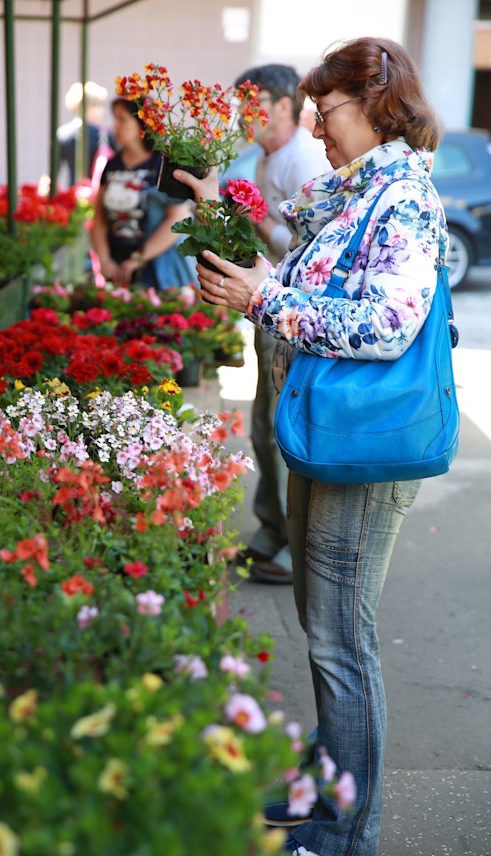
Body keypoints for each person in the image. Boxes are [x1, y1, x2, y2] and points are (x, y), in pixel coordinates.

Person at [174, 37, 447, 856]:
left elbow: (387, 324)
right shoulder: (361, 193)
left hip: (359, 444)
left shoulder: (400, 197)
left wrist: (269, 298)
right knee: (325, 633)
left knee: (342, 644)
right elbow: (314, 288)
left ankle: (344, 839)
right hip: (327, 434)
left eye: (327, 114)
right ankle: (321, 795)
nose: (318, 131)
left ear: (377, 105)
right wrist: (254, 267)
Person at [231, 64, 330, 585]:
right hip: (267, 307)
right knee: (262, 427)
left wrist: (254, 220)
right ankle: (272, 529)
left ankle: (299, 549)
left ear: (286, 106)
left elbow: (309, 251)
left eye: (254, 103)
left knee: (282, 432)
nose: (245, 114)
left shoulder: (305, 159)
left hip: (295, 315)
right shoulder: (269, 155)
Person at [91, 98, 195, 290]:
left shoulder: (162, 164)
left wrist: (138, 258)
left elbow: (179, 218)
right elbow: (99, 219)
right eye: (115, 119)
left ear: (142, 124)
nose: (115, 126)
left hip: (159, 270)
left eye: (122, 119)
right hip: (117, 268)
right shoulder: (112, 165)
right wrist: (104, 260)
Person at [57, 81, 113, 187]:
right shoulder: (104, 135)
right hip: (96, 194)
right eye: (99, 105)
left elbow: (53, 172)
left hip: (72, 192)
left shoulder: (62, 134)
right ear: (89, 106)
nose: (103, 110)